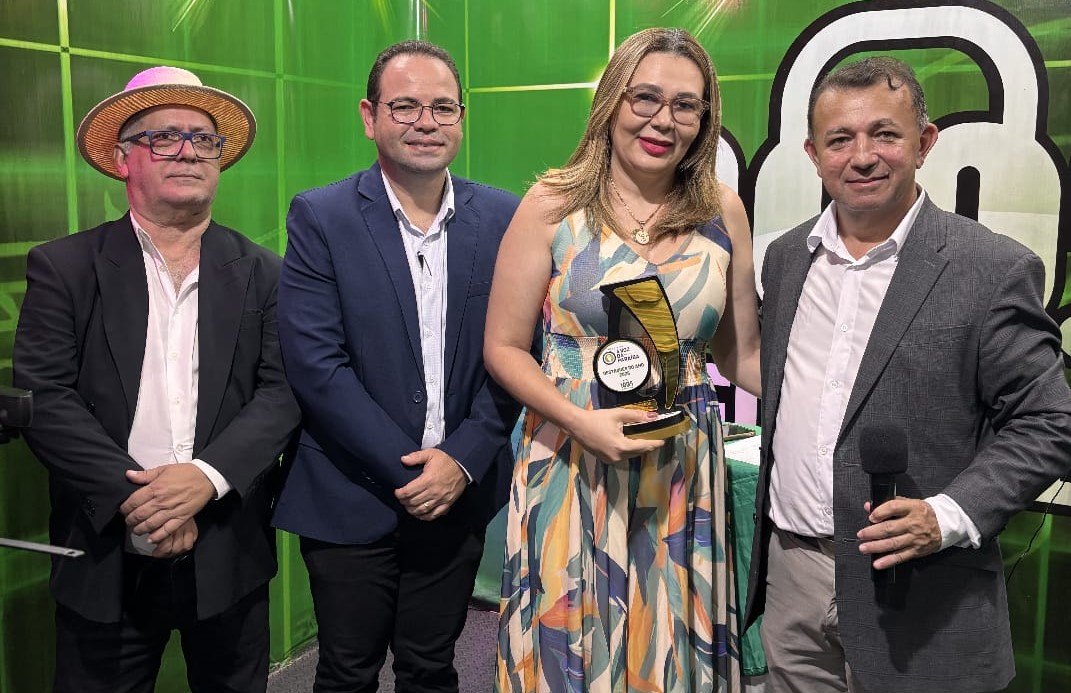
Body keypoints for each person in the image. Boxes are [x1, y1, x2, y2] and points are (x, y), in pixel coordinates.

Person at [744, 56, 1071, 693]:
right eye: (840, 139)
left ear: (924, 143)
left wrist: (948, 515)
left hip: (924, 591)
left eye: (885, 134)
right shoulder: (785, 258)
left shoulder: (990, 268)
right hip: (793, 580)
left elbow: (1049, 421)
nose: (862, 156)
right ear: (813, 154)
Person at [486, 27, 761, 692]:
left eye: (685, 105)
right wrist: (580, 422)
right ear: (612, 101)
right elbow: (503, 348)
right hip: (568, 455)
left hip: (681, 468)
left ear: (704, 118)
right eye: (646, 97)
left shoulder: (721, 209)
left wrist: (834, 402)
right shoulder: (551, 202)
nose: (663, 119)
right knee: (567, 638)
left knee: (667, 643)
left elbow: (741, 353)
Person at [13, 66, 301, 693]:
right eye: (164, 137)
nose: (188, 152)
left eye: (204, 140)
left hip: (227, 545)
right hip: (105, 549)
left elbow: (281, 393)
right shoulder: (64, 267)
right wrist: (141, 502)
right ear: (122, 159)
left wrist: (204, 479)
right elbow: (46, 397)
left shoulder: (266, 273)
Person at [271, 40, 521, 692]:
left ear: (462, 118)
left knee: (430, 667)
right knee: (346, 671)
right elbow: (317, 364)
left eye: (442, 107)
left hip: (459, 490)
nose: (425, 122)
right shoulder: (321, 216)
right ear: (369, 116)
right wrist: (416, 471)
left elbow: (517, 352)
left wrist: (460, 460)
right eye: (405, 106)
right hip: (348, 491)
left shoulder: (504, 217)